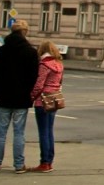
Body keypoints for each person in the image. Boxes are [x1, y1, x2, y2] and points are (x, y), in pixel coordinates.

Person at [0, 20, 39, 174]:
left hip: (4, 97)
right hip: (22, 99)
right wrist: (27, 93)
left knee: (1, 132)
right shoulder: (30, 52)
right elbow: (33, 77)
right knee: (19, 133)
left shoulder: (2, 50)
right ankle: (19, 165)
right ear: (25, 32)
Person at [30, 40, 64, 173]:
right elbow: (60, 82)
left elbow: (39, 84)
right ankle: (49, 161)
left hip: (42, 100)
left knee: (43, 132)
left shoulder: (44, 65)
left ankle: (44, 162)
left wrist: (31, 97)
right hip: (55, 98)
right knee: (49, 131)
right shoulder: (59, 65)